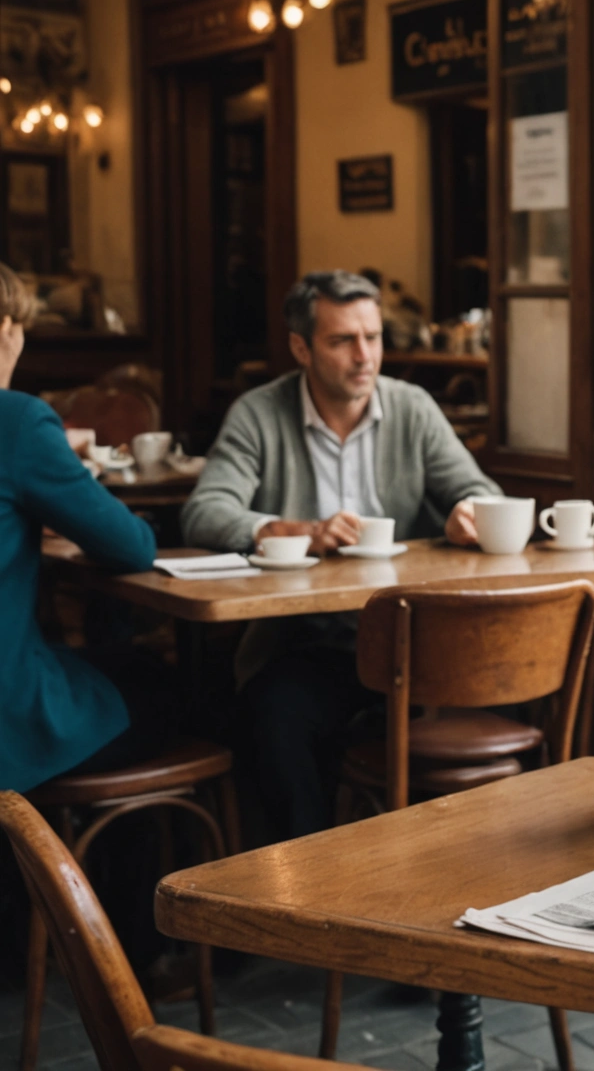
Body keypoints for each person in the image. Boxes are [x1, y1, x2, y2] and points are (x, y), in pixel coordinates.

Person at [181, 270, 503, 838]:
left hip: (410, 641)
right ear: (301, 347)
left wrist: (468, 516)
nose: (364, 356)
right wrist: (297, 531)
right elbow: (204, 512)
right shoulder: (259, 413)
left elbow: (483, 496)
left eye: (373, 337)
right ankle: (302, 890)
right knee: (277, 718)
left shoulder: (412, 408)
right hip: (302, 640)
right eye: (342, 340)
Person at [0, 261, 166, 792]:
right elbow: (134, 548)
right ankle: (103, 874)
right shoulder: (17, 422)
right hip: (12, 721)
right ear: (7, 329)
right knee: (166, 684)